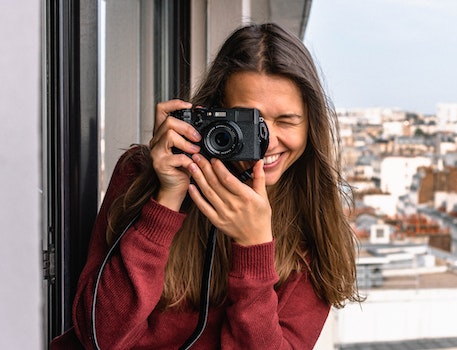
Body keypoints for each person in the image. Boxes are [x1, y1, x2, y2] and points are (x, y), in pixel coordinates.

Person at [51, 22, 362, 349]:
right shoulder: (140, 173)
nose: (265, 142)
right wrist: (167, 197)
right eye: (248, 121)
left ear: (311, 124)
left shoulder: (312, 228)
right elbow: (99, 335)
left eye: (286, 121)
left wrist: (254, 248)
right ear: (212, 112)